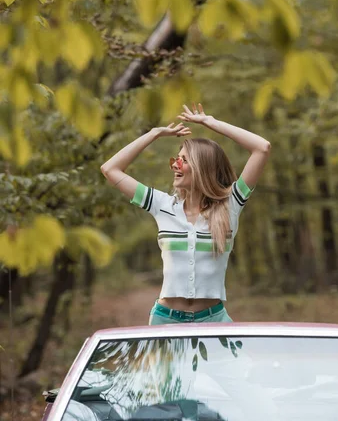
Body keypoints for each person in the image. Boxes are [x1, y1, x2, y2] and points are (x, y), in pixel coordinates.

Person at [100, 103, 271, 324]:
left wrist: (213, 123)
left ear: (203, 166)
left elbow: (262, 148)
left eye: (183, 160)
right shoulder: (162, 205)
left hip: (214, 321)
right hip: (165, 320)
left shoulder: (231, 204)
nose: (175, 165)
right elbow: (110, 169)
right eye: (175, 159)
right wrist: (153, 134)